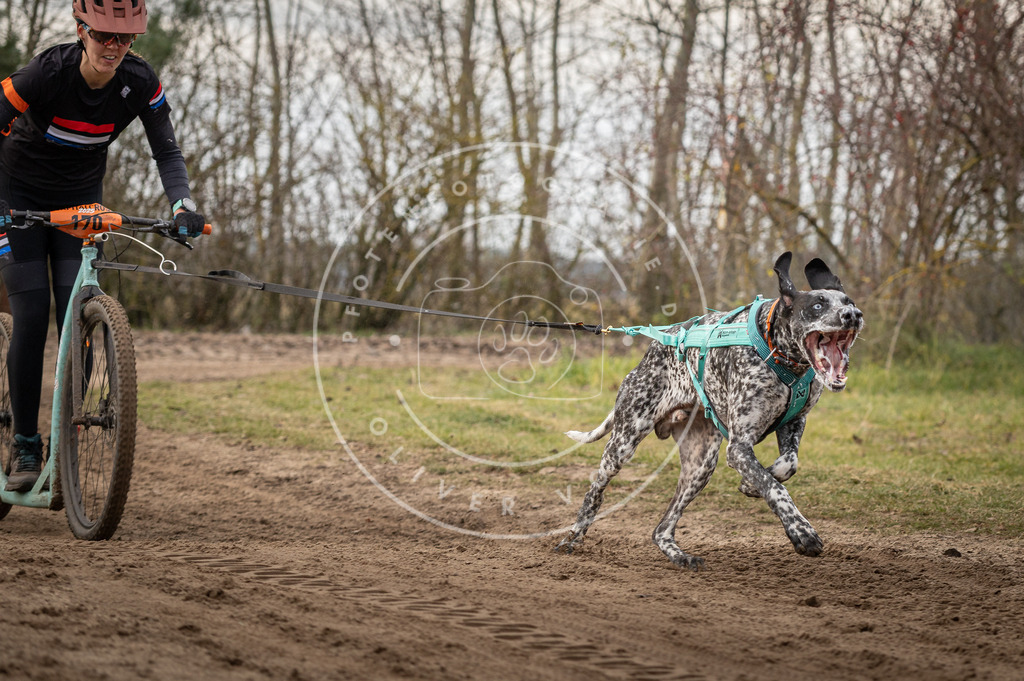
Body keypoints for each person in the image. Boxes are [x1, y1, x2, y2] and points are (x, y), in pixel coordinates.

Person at [0, 0, 205, 493]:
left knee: (79, 311)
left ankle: (67, 435)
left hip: (79, 201)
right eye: (103, 36)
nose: (113, 47)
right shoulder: (45, 73)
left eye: (125, 38)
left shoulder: (140, 81)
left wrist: (182, 205)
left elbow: (166, 149)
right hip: (18, 196)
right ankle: (25, 442)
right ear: (81, 31)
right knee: (32, 314)